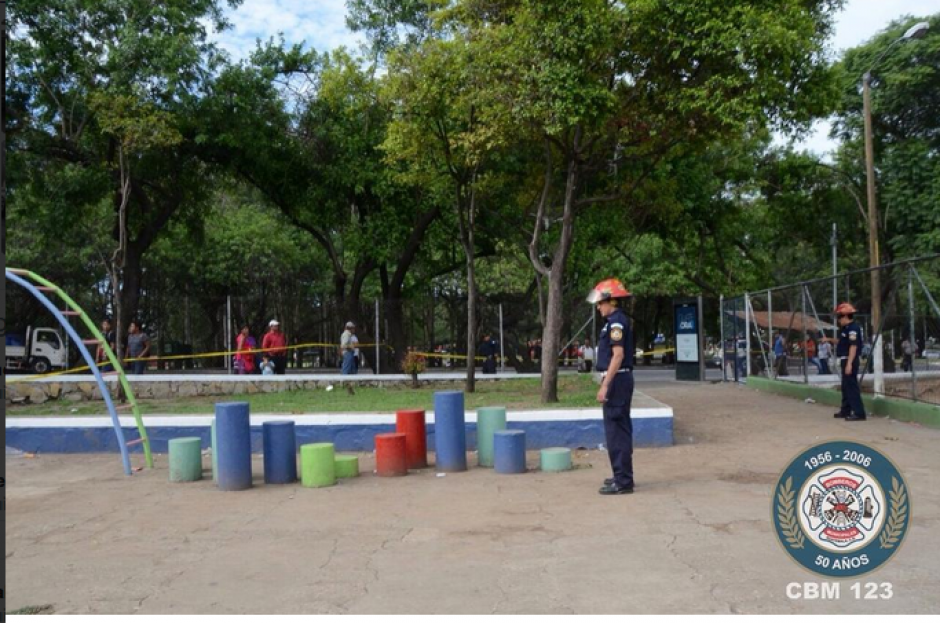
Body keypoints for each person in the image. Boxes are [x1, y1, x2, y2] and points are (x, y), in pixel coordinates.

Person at [588, 278, 635, 496]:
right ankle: (620, 475)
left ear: (611, 301)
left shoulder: (616, 323)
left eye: (600, 303)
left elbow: (618, 356)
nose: (598, 307)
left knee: (617, 433)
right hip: (619, 380)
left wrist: (605, 385)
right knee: (618, 430)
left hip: (617, 380)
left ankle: (623, 481)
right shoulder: (614, 321)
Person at [829, 302, 867, 421]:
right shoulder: (846, 329)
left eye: (839, 317)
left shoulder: (853, 329)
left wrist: (849, 363)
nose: (838, 320)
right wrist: (829, 339)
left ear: (845, 316)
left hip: (850, 359)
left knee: (851, 387)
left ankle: (859, 413)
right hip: (845, 359)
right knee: (845, 387)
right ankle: (845, 410)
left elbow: (853, 347)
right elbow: (841, 342)